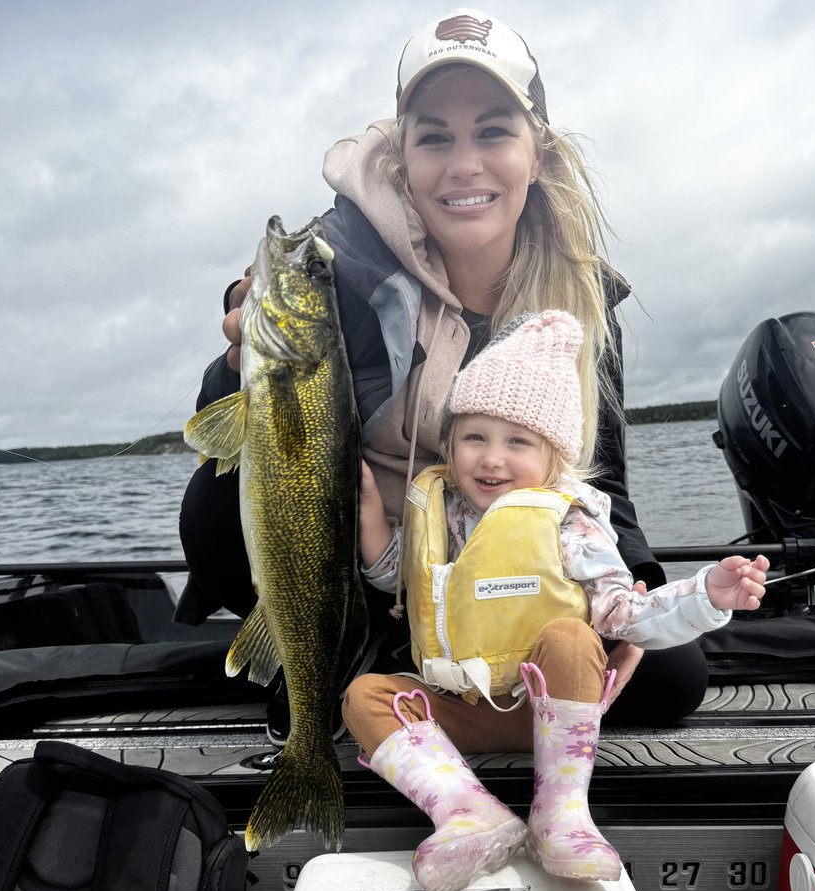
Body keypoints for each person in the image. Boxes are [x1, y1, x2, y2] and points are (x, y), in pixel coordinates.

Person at [177, 7, 706, 723]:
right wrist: (238, 365)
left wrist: (634, 588)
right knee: (265, 570)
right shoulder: (339, 277)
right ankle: (378, 675)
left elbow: (602, 482)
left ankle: (434, 711)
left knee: (673, 675)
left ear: (538, 151)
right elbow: (237, 513)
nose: (465, 165)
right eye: (435, 138)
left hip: (516, 584)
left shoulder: (580, 301)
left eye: (493, 131)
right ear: (404, 159)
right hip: (373, 579)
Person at [344, 311, 769, 891]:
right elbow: (398, 576)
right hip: (464, 707)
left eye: (517, 441)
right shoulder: (439, 513)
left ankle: (562, 815)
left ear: (554, 458)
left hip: (553, 705)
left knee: (573, 637)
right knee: (364, 697)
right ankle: (468, 814)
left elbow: (629, 614)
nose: (492, 459)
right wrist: (370, 509)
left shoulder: (570, 521)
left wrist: (705, 594)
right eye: (474, 438)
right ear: (451, 444)